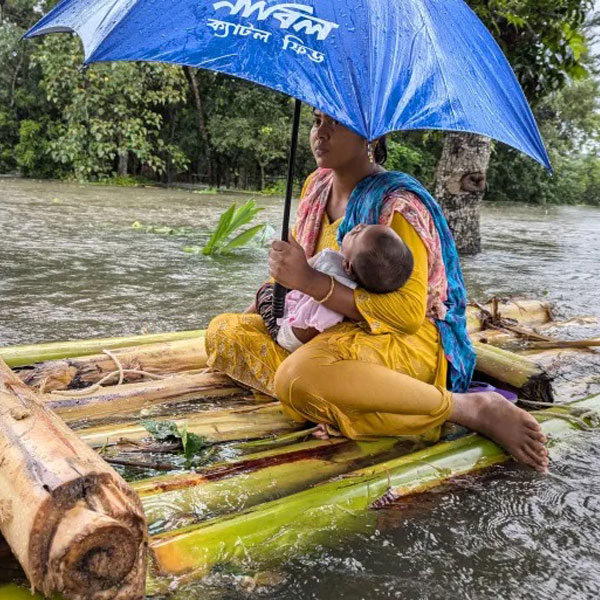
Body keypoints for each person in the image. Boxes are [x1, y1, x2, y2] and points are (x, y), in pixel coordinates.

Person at [205, 109, 549, 473]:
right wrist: (269, 300)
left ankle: (466, 408)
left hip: (397, 341)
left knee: (297, 378)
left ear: (371, 136)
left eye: (335, 124)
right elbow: (295, 282)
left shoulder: (397, 206)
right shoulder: (314, 187)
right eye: (317, 121)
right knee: (224, 331)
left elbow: (407, 314)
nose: (320, 134)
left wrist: (311, 282)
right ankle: (346, 403)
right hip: (323, 331)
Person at [255, 223, 414, 352]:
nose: (359, 225)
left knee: (265, 291)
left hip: (287, 335)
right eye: (366, 226)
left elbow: (306, 331)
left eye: (356, 234)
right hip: (296, 328)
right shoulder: (359, 291)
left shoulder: (331, 266)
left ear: (347, 266)